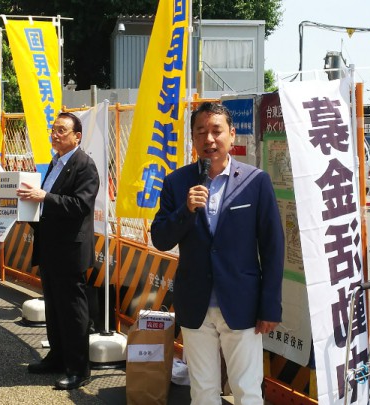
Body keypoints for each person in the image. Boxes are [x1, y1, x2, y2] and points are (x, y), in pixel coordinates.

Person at [151, 102, 285, 404]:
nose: (209, 139)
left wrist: (270, 307)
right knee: (203, 390)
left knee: (247, 389)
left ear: (232, 134)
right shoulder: (177, 182)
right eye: (201, 132)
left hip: (243, 304)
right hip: (195, 303)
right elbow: (160, 238)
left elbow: (273, 247)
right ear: (192, 139)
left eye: (216, 131)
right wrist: (185, 210)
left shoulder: (255, 181)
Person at [17, 112, 100, 390]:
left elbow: (80, 206)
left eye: (62, 130)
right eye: (54, 129)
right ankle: (57, 356)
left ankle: (79, 368)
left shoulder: (84, 166)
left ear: (77, 136)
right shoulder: (55, 162)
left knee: (73, 309)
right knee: (53, 305)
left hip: (70, 248)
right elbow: (46, 202)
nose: (55, 134)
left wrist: (44, 197)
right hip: (50, 244)